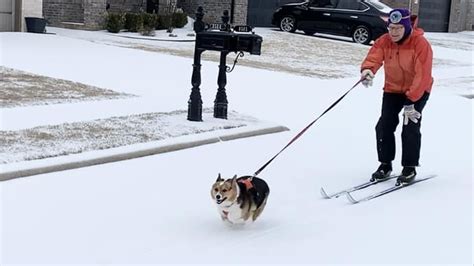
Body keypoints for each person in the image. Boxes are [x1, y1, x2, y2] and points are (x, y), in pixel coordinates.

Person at [360, 8, 433, 185]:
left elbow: (422, 74)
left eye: (398, 28)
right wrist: (368, 70)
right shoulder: (384, 41)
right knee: (384, 125)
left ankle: (409, 167)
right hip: (392, 89)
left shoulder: (420, 44)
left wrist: (412, 101)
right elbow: (374, 57)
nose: (393, 32)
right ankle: (385, 164)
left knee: (410, 127)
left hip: (418, 90)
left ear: (407, 27)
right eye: (391, 28)